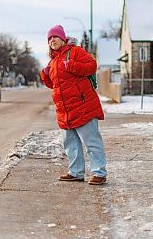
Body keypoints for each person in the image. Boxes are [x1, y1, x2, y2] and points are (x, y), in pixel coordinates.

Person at [40, 24, 107, 185]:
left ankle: (99, 173)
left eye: (55, 37)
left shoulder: (75, 52)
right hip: (65, 110)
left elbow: (91, 66)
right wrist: (45, 75)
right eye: (49, 38)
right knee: (70, 144)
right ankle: (76, 172)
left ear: (63, 38)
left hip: (83, 106)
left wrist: (71, 65)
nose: (52, 40)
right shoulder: (54, 61)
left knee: (91, 141)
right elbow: (55, 85)